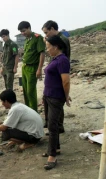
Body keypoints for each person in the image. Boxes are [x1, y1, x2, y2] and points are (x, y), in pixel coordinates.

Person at [43, 35, 71, 170]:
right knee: (49, 122)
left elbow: (66, 81)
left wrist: (66, 96)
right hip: (48, 95)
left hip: (56, 97)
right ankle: (56, 148)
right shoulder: (55, 59)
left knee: (53, 126)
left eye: (48, 47)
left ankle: (52, 156)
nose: (47, 50)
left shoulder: (63, 60)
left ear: (55, 47)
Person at [42, 20, 71, 133]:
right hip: (55, 69)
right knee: (53, 100)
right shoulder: (53, 40)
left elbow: (63, 58)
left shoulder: (61, 40)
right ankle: (52, 124)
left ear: (53, 29)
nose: (46, 35)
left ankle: (58, 126)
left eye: (47, 32)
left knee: (57, 99)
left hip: (60, 71)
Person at [17, 21, 45, 112]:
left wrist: (39, 69)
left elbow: (42, 53)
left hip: (33, 68)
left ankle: (34, 112)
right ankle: (28, 111)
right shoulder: (27, 39)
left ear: (29, 28)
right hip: (24, 67)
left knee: (30, 91)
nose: (23, 33)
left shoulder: (37, 38)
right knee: (25, 91)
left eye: (24, 31)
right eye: (21, 32)